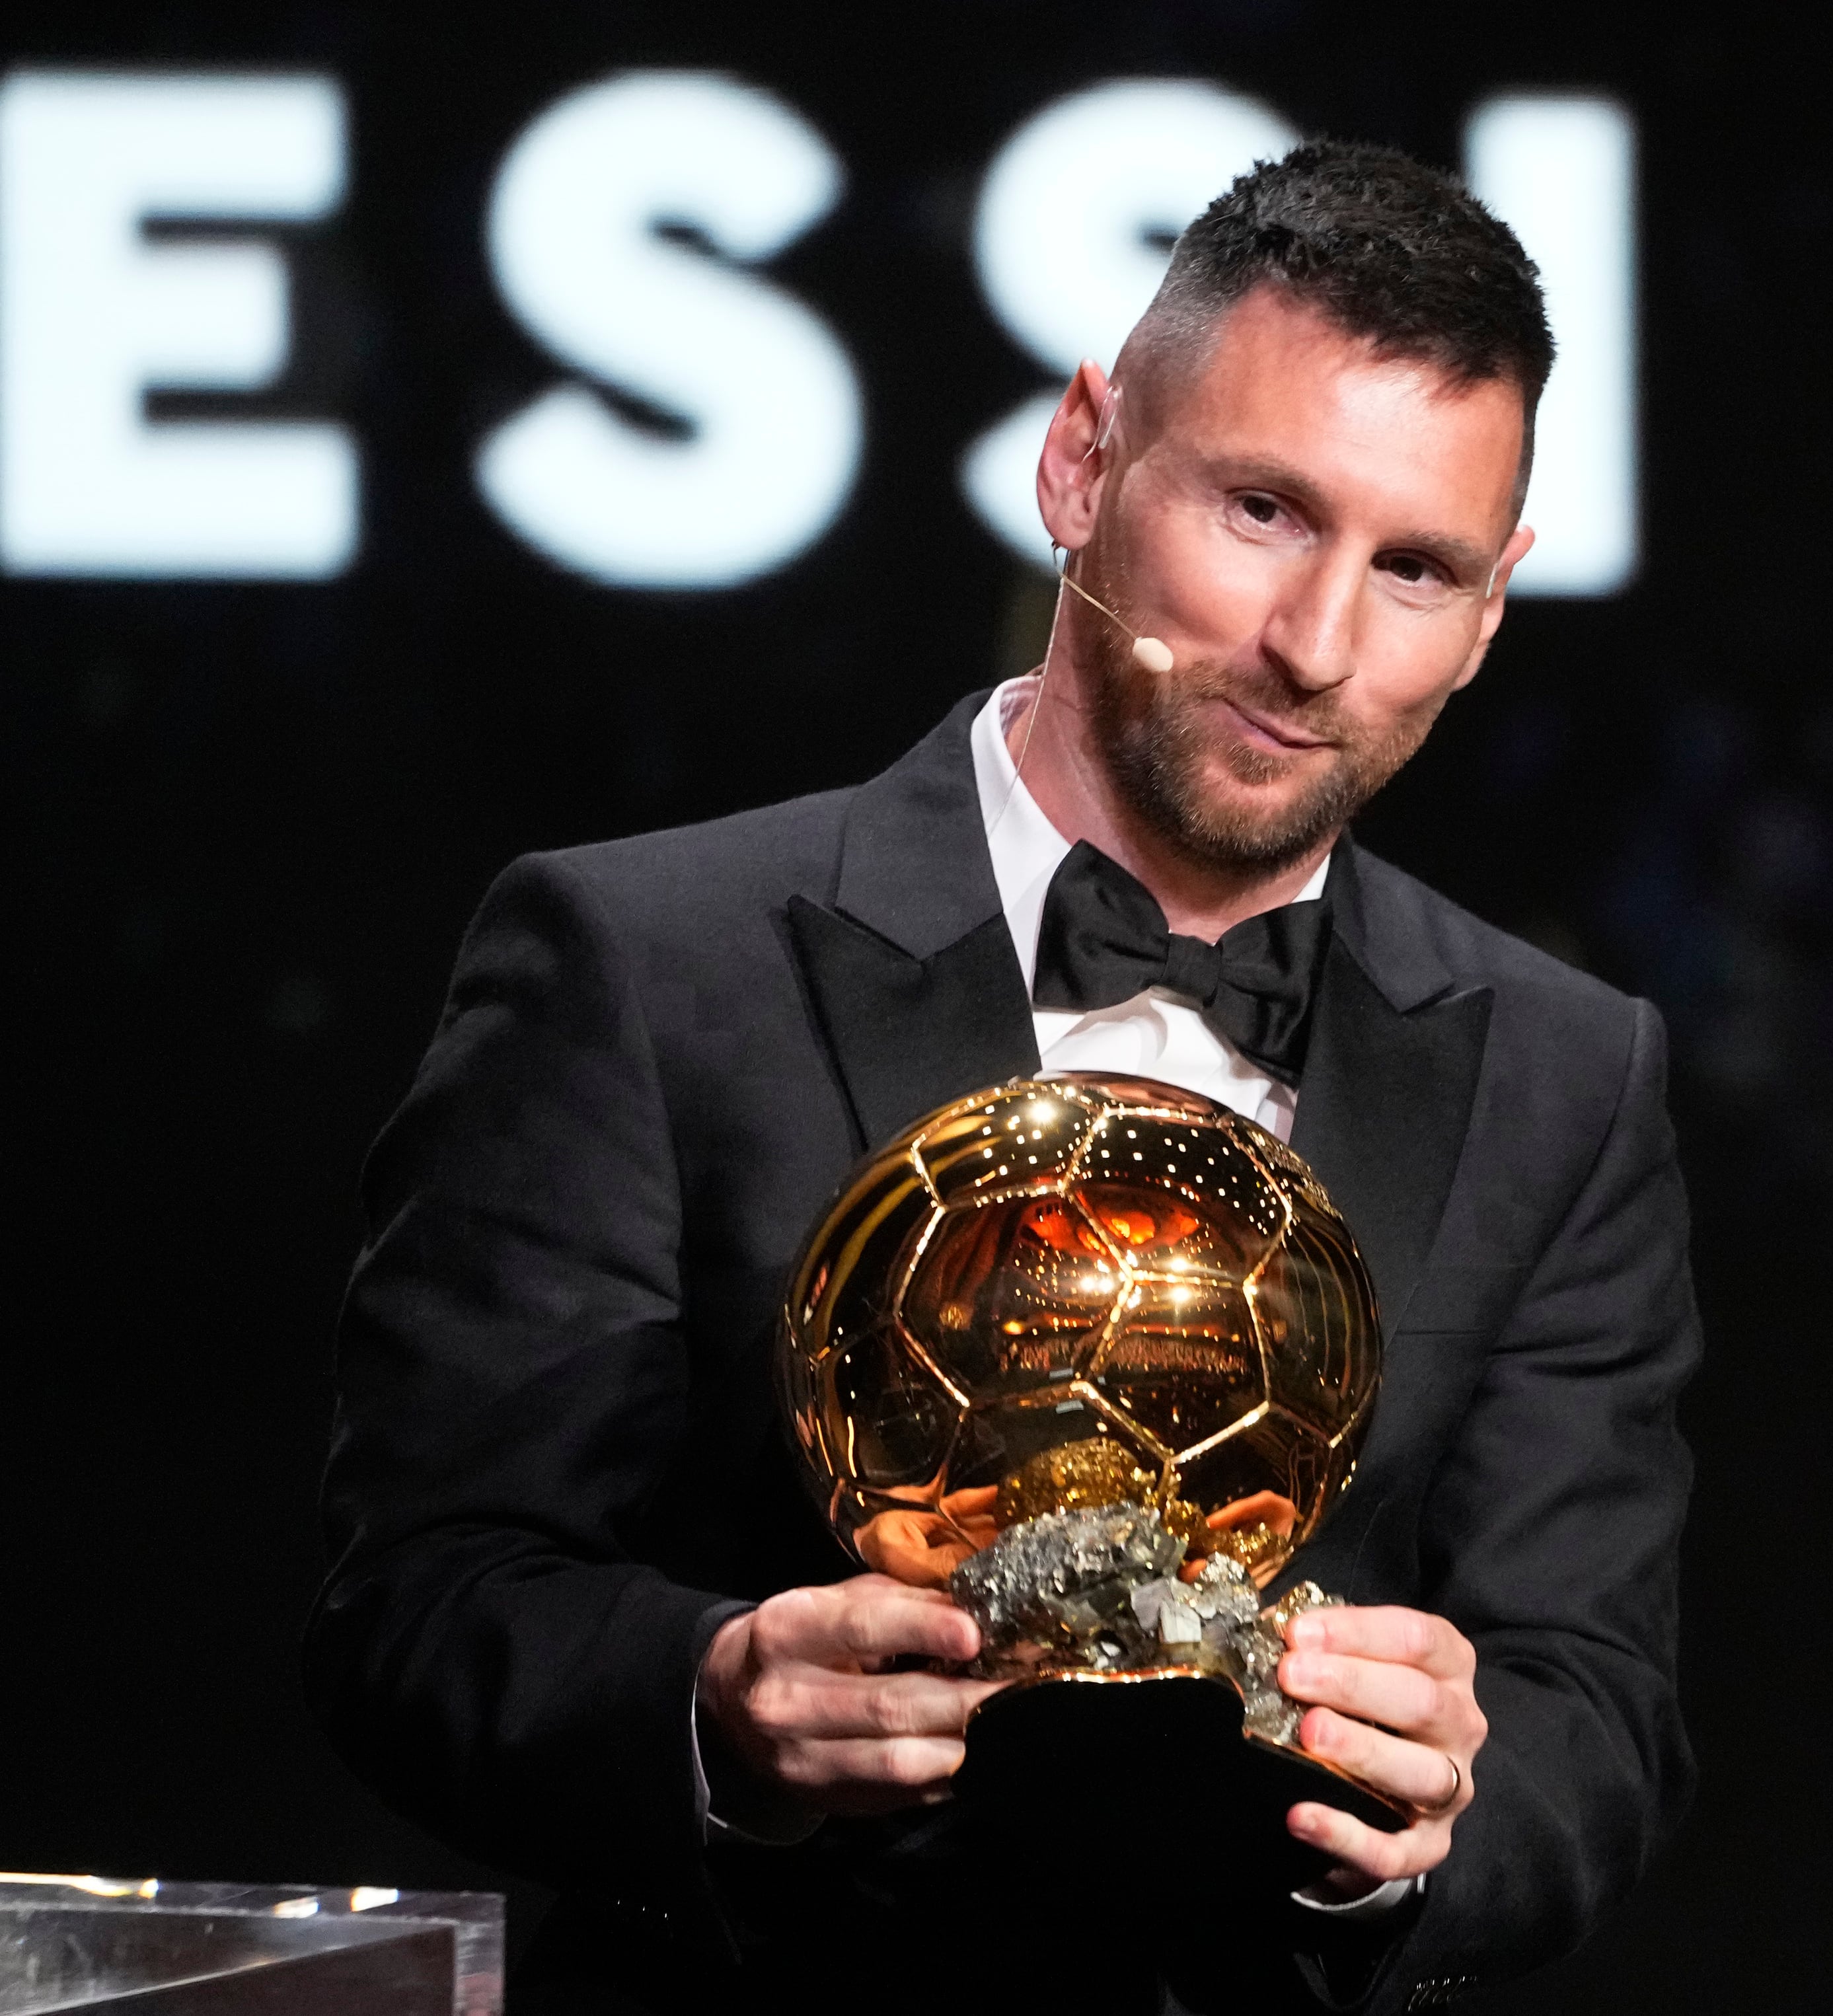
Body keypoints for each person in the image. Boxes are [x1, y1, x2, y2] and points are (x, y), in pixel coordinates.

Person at [305, 140, 1698, 2014]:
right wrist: (710, 1702)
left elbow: (1592, 1704)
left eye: (1418, 568)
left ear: (1497, 603)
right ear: (1082, 462)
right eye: (1267, 511)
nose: (1318, 647)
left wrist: (1448, 1802)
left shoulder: (1566, 1072)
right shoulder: (644, 962)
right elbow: (421, 1597)